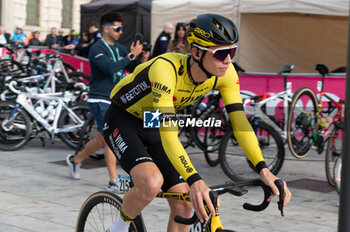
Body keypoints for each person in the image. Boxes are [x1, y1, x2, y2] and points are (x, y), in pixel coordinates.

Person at [102, 13, 292, 232]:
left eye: (232, 51)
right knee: (151, 183)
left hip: (153, 122)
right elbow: (169, 134)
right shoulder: (165, 70)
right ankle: (118, 228)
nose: (228, 60)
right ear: (196, 52)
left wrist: (264, 170)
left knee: (185, 203)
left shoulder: (225, 74)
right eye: (221, 53)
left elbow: (240, 124)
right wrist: (195, 180)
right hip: (123, 119)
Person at [66, 11, 148, 193]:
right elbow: (110, 68)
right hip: (99, 98)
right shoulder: (97, 48)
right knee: (111, 136)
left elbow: (132, 68)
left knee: (101, 139)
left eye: (121, 28)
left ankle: (76, 160)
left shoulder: (119, 48)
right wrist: (130, 56)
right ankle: (113, 180)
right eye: (117, 28)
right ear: (106, 29)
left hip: (117, 100)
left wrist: (142, 57)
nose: (120, 31)